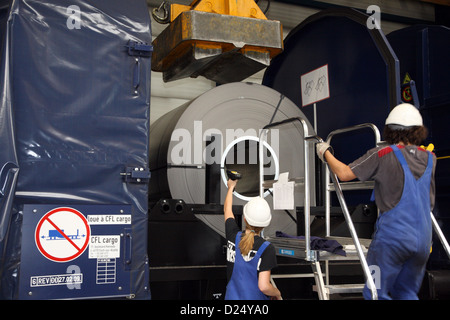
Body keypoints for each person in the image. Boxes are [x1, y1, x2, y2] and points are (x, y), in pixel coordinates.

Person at [316, 103, 436, 300]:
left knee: (375, 292)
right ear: (419, 130)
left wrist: (325, 152)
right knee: (406, 292)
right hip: (423, 241)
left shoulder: (382, 154)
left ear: (389, 130)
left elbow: (345, 174)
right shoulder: (431, 158)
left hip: (392, 240)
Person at [224, 178, 282, 300]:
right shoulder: (267, 248)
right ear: (265, 224)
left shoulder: (233, 236)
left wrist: (231, 188)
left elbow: (227, 210)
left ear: (245, 218)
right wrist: (277, 293)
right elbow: (264, 287)